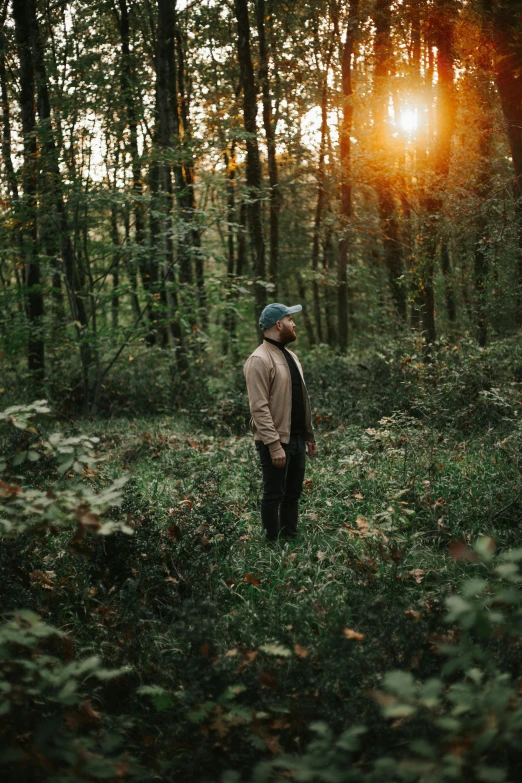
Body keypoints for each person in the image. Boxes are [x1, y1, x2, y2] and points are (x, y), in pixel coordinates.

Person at [243, 303, 317, 541]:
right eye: (289, 319)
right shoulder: (258, 359)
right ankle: (272, 545)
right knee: (274, 494)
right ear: (278, 324)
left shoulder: (292, 356)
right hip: (274, 441)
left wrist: (308, 434)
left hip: (296, 438)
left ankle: (290, 540)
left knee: (293, 494)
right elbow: (259, 407)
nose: (294, 323)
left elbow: (300, 398)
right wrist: (274, 445)